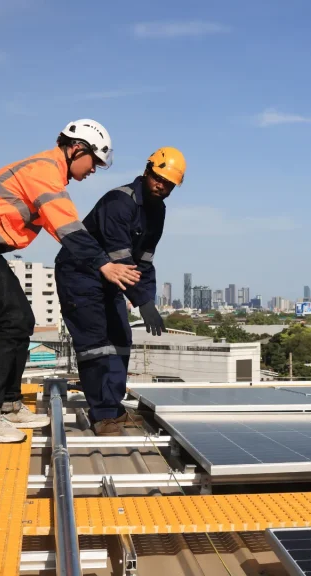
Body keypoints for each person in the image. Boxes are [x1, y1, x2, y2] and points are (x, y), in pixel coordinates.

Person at [0, 120, 141, 443]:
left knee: (23, 320)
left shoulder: (49, 173)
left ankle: (7, 403)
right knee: (12, 319)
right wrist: (104, 265)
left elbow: (63, 228)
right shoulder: (45, 172)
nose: (94, 170)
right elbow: (69, 230)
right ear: (77, 149)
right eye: (94, 161)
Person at [56, 147, 185, 435]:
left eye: (169, 184)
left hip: (113, 278)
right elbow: (122, 259)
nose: (162, 186)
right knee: (95, 344)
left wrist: (147, 299)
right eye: (159, 178)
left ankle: (113, 407)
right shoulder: (119, 202)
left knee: (120, 338)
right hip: (81, 275)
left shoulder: (157, 212)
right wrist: (141, 301)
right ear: (148, 171)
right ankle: (102, 415)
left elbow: (144, 261)